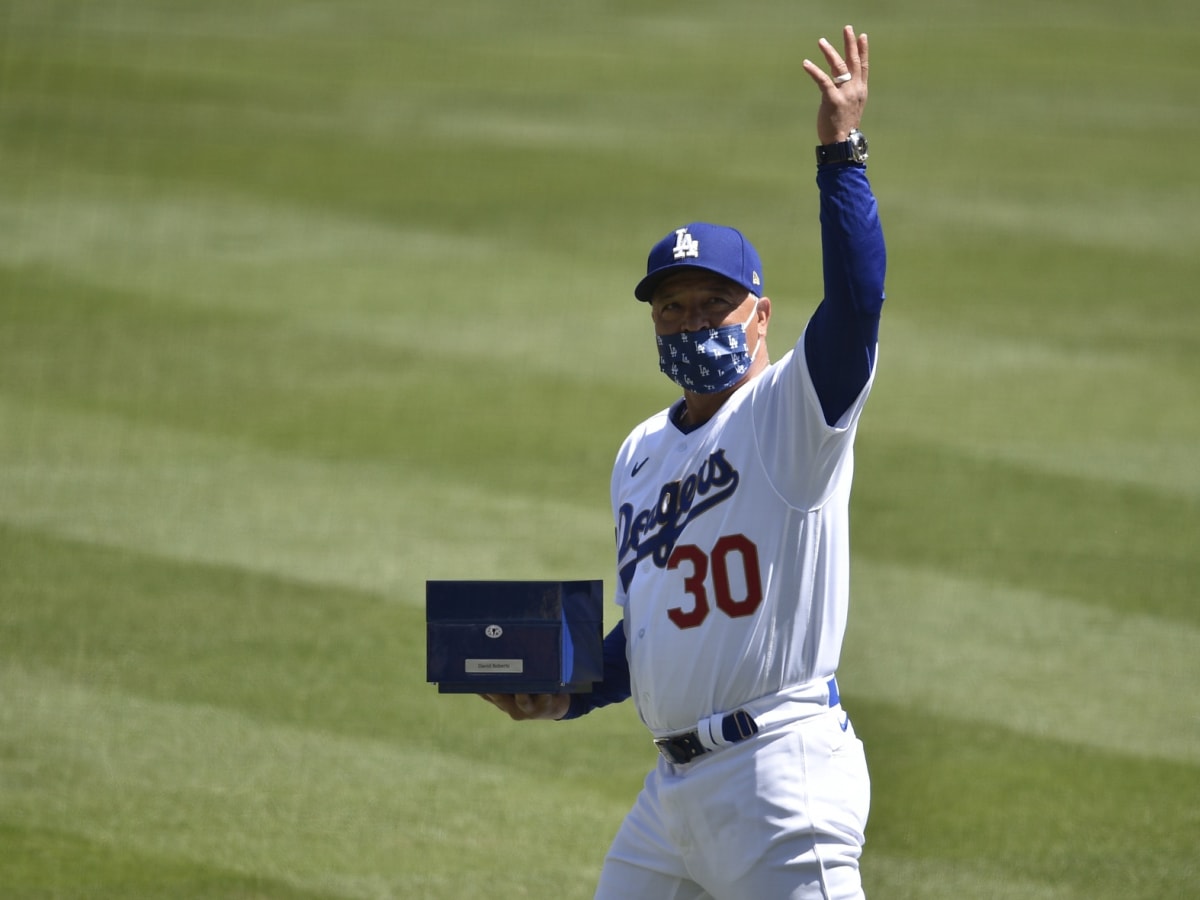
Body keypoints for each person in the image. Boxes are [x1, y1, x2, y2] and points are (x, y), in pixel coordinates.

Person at [482, 25, 886, 900]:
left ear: (761, 316)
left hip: (781, 777)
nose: (694, 321)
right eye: (673, 307)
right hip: (670, 800)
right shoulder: (640, 452)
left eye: (715, 304)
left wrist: (840, 154)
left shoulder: (791, 412)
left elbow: (856, 309)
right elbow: (655, 632)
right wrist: (558, 688)